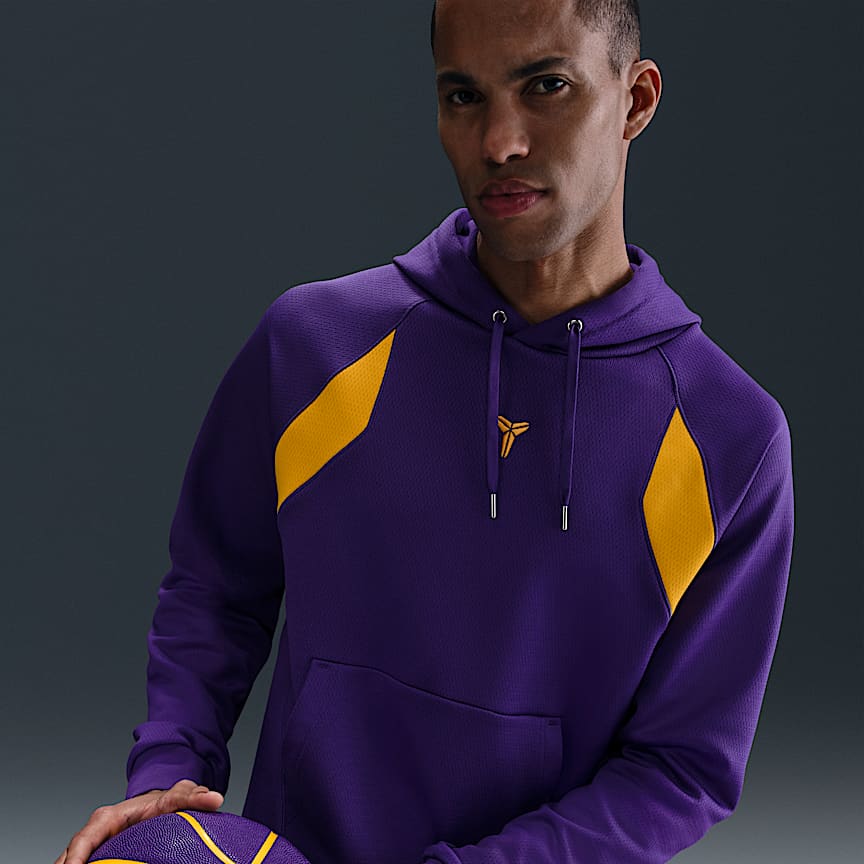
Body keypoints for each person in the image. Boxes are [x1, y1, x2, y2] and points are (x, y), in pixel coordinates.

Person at [57, 0, 795, 862]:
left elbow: (681, 769)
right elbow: (214, 589)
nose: (499, 143)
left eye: (546, 86)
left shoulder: (729, 438)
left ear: (635, 100)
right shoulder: (315, 343)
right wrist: (167, 783)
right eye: (463, 96)